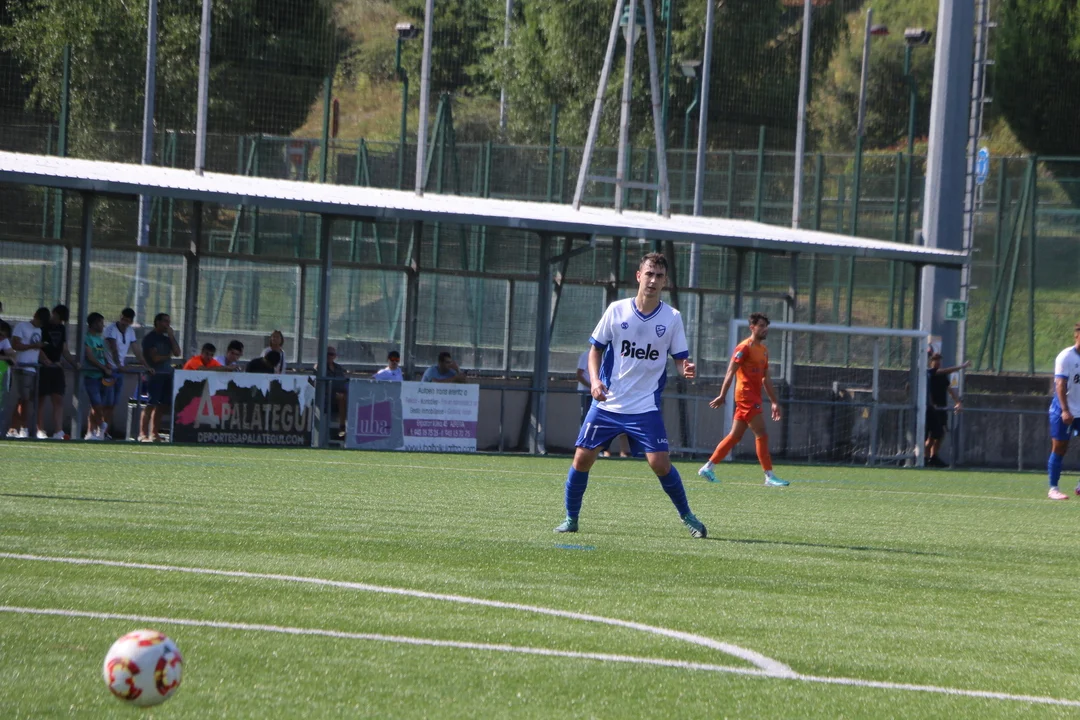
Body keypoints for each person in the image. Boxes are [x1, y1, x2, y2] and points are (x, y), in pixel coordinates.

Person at [553, 252, 706, 538]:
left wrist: (685, 368)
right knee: (582, 459)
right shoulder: (617, 310)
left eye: (659, 276)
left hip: (645, 406)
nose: (653, 280)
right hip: (608, 403)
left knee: (660, 464)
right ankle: (571, 518)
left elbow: (679, 359)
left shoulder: (672, 318)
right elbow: (595, 349)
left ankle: (688, 516)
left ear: (664, 281)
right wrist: (595, 381)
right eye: (649, 274)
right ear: (639, 276)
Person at [698, 312, 789, 487]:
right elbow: (730, 372)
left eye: (766, 326)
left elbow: (766, 378)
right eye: (761, 326)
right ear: (752, 327)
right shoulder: (744, 348)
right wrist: (722, 395)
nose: (764, 329)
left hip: (753, 397)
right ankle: (769, 476)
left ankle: (708, 468)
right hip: (745, 396)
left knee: (734, 436)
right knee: (761, 433)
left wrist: (774, 402)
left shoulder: (763, 351)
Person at [103, 307, 149, 439]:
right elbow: (113, 349)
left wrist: (146, 365)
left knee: (113, 404)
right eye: (123, 319)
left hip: (118, 372)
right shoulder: (111, 329)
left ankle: (104, 431)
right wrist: (118, 365)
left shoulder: (130, 331)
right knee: (104, 403)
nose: (124, 322)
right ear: (120, 317)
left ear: (131, 321)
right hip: (108, 371)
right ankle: (96, 431)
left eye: (127, 321)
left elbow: (136, 350)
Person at [1047, 323, 1080, 500]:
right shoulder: (1066, 356)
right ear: (1076, 336)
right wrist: (1065, 410)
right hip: (1063, 410)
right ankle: (1053, 488)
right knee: (1060, 448)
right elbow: (1060, 385)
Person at [139, 313, 181, 443]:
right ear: (157, 322)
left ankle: (154, 433)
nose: (167, 324)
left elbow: (177, 353)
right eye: (165, 321)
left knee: (162, 405)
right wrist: (167, 356)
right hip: (154, 375)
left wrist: (171, 336)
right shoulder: (150, 338)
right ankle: (142, 434)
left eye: (169, 321)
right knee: (151, 404)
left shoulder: (167, 338)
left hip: (167, 375)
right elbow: (155, 358)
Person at [8, 307, 49, 439]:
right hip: (22, 367)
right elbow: (15, 345)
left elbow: (37, 349)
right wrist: (34, 346)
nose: (40, 325)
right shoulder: (22, 326)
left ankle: (14, 428)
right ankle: (23, 428)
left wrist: (46, 360)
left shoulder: (39, 330)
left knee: (25, 400)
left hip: (33, 368)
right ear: (35, 316)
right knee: (24, 399)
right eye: (39, 321)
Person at [37, 304, 75, 439]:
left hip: (57, 369)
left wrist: (74, 363)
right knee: (40, 399)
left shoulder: (61, 328)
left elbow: (64, 350)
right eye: (58, 317)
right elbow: (37, 346)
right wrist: (46, 360)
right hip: (42, 368)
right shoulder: (43, 327)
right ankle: (39, 430)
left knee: (58, 398)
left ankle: (58, 431)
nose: (59, 321)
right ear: (54, 313)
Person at [925, 352, 969, 467]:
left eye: (939, 360)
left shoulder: (942, 376)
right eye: (935, 360)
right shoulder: (929, 373)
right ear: (930, 362)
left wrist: (958, 402)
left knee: (941, 434)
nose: (938, 362)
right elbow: (945, 371)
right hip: (931, 410)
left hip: (941, 409)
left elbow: (950, 389)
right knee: (932, 435)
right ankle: (924, 458)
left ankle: (933, 457)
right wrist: (962, 366)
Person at [82, 313, 116, 441]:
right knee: (96, 403)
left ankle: (92, 432)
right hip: (91, 376)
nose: (103, 325)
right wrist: (103, 367)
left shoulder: (100, 339)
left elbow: (102, 356)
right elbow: (90, 357)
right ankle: (101, 425)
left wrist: (107, 364)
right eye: (101, 323)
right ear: (94, 323)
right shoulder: (87, 338)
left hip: (101, 377)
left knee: (98, 405)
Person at [316, 346, 349, 437]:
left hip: (339, 395)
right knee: (342, 398)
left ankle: (348, 427)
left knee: (347, 397)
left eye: (332, 354)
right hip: (326, 396)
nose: (329, 356)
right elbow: (318, 384)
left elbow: (343, 382)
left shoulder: (338, 368)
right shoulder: (319, 367)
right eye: (327, 354)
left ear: (335, 356)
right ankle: (342, 427)